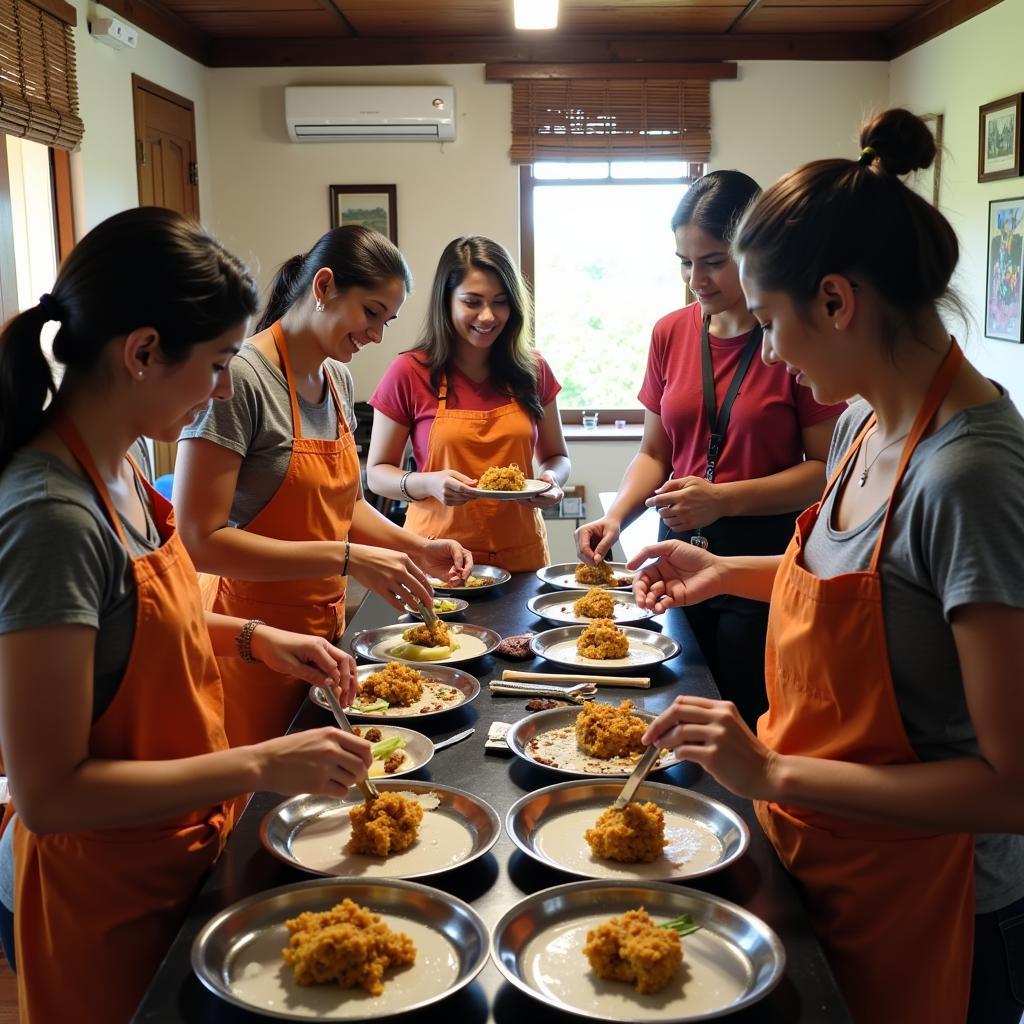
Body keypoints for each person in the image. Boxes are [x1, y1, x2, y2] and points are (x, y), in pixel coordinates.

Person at [634, 110, 1024, 1024]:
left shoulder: (969, 474)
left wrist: (771, 775)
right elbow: (875, 595)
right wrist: (727, 574)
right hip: (828, 860)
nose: (766, 349)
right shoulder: (859, 423)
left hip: (940, 901)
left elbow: (1011, 787)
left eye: (770, 321)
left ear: (838, 301)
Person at [0, 207, 372, 1024]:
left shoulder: (126, 463)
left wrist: (252, 637)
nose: (225, 388)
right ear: (141, 353)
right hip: (104, 896)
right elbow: (48, 794)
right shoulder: (52, 516)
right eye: (216, 363)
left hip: (177, 855)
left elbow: (127, 629)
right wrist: (259, 765)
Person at [173, 225, 472, 747]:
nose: (378, 334)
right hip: (250, 639)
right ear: (325, 285)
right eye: (372, 312)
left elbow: (343, 505)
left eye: (388, 320)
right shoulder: (241, 379)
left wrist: (417, 549)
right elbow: (201, 542)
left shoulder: (338, 381)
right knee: (253, 805)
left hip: (322, 633)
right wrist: (348, 559)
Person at [576, 171, 844, 727]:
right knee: (672, 702)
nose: (696, 278)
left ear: (753, 250)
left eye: (713, 261)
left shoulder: (788, 336)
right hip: (676, 550)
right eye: (683, 261)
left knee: (746, 715)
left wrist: (722, 499)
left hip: (761, 556)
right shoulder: (670, 332)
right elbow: (655, 452)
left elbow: (824, 473)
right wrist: (617, 517)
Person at [365, 235, 569, 573]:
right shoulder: (409, 371)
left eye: (500, 302)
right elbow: (377, 474)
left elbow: (557, 457)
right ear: (446, 301)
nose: (488, 316)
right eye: (472, 302)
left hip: (520, 557)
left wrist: (551, 479)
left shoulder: (533, 370)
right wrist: (427, 483)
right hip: (437, 559)